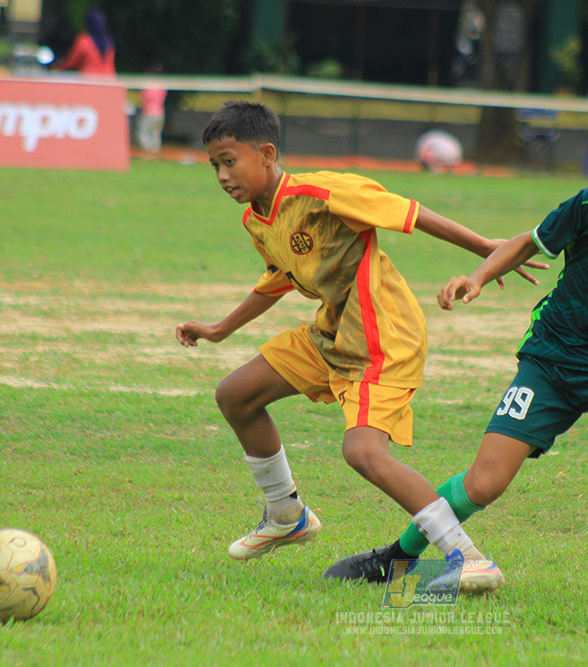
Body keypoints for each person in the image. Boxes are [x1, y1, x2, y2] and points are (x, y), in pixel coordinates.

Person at [325, 92, 588, 608]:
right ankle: (395, 558)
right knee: (484, 482)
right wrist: (476, 277)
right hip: (551, 360)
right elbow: (527, 241)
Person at [175, 101, 545, 567]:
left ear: (267, 154)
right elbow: (280, 278)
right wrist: (218, 330)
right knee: (236, 394)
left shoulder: (322, 192)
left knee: (363, 452)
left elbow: (409, 212)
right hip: (333, 333)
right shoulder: (257, 218)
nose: (222, 176)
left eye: (229, 162)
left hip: (383, 333)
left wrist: (486, 247)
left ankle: (465, 556)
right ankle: (286, 514)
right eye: (214, 166)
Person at [56, 7, 116, 76]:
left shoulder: (84, 41)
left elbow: (72, 63)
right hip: (109, 81)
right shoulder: (109, 42)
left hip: (88, 81)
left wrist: (59, 68)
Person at [135, 63, 167, 158]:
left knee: (143, 132)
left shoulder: (147, 85)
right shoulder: (163, 85)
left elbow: (143, 99)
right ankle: (155, 152)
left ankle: (147, 151)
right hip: (160, 112)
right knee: (155, 133)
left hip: (148, 112)